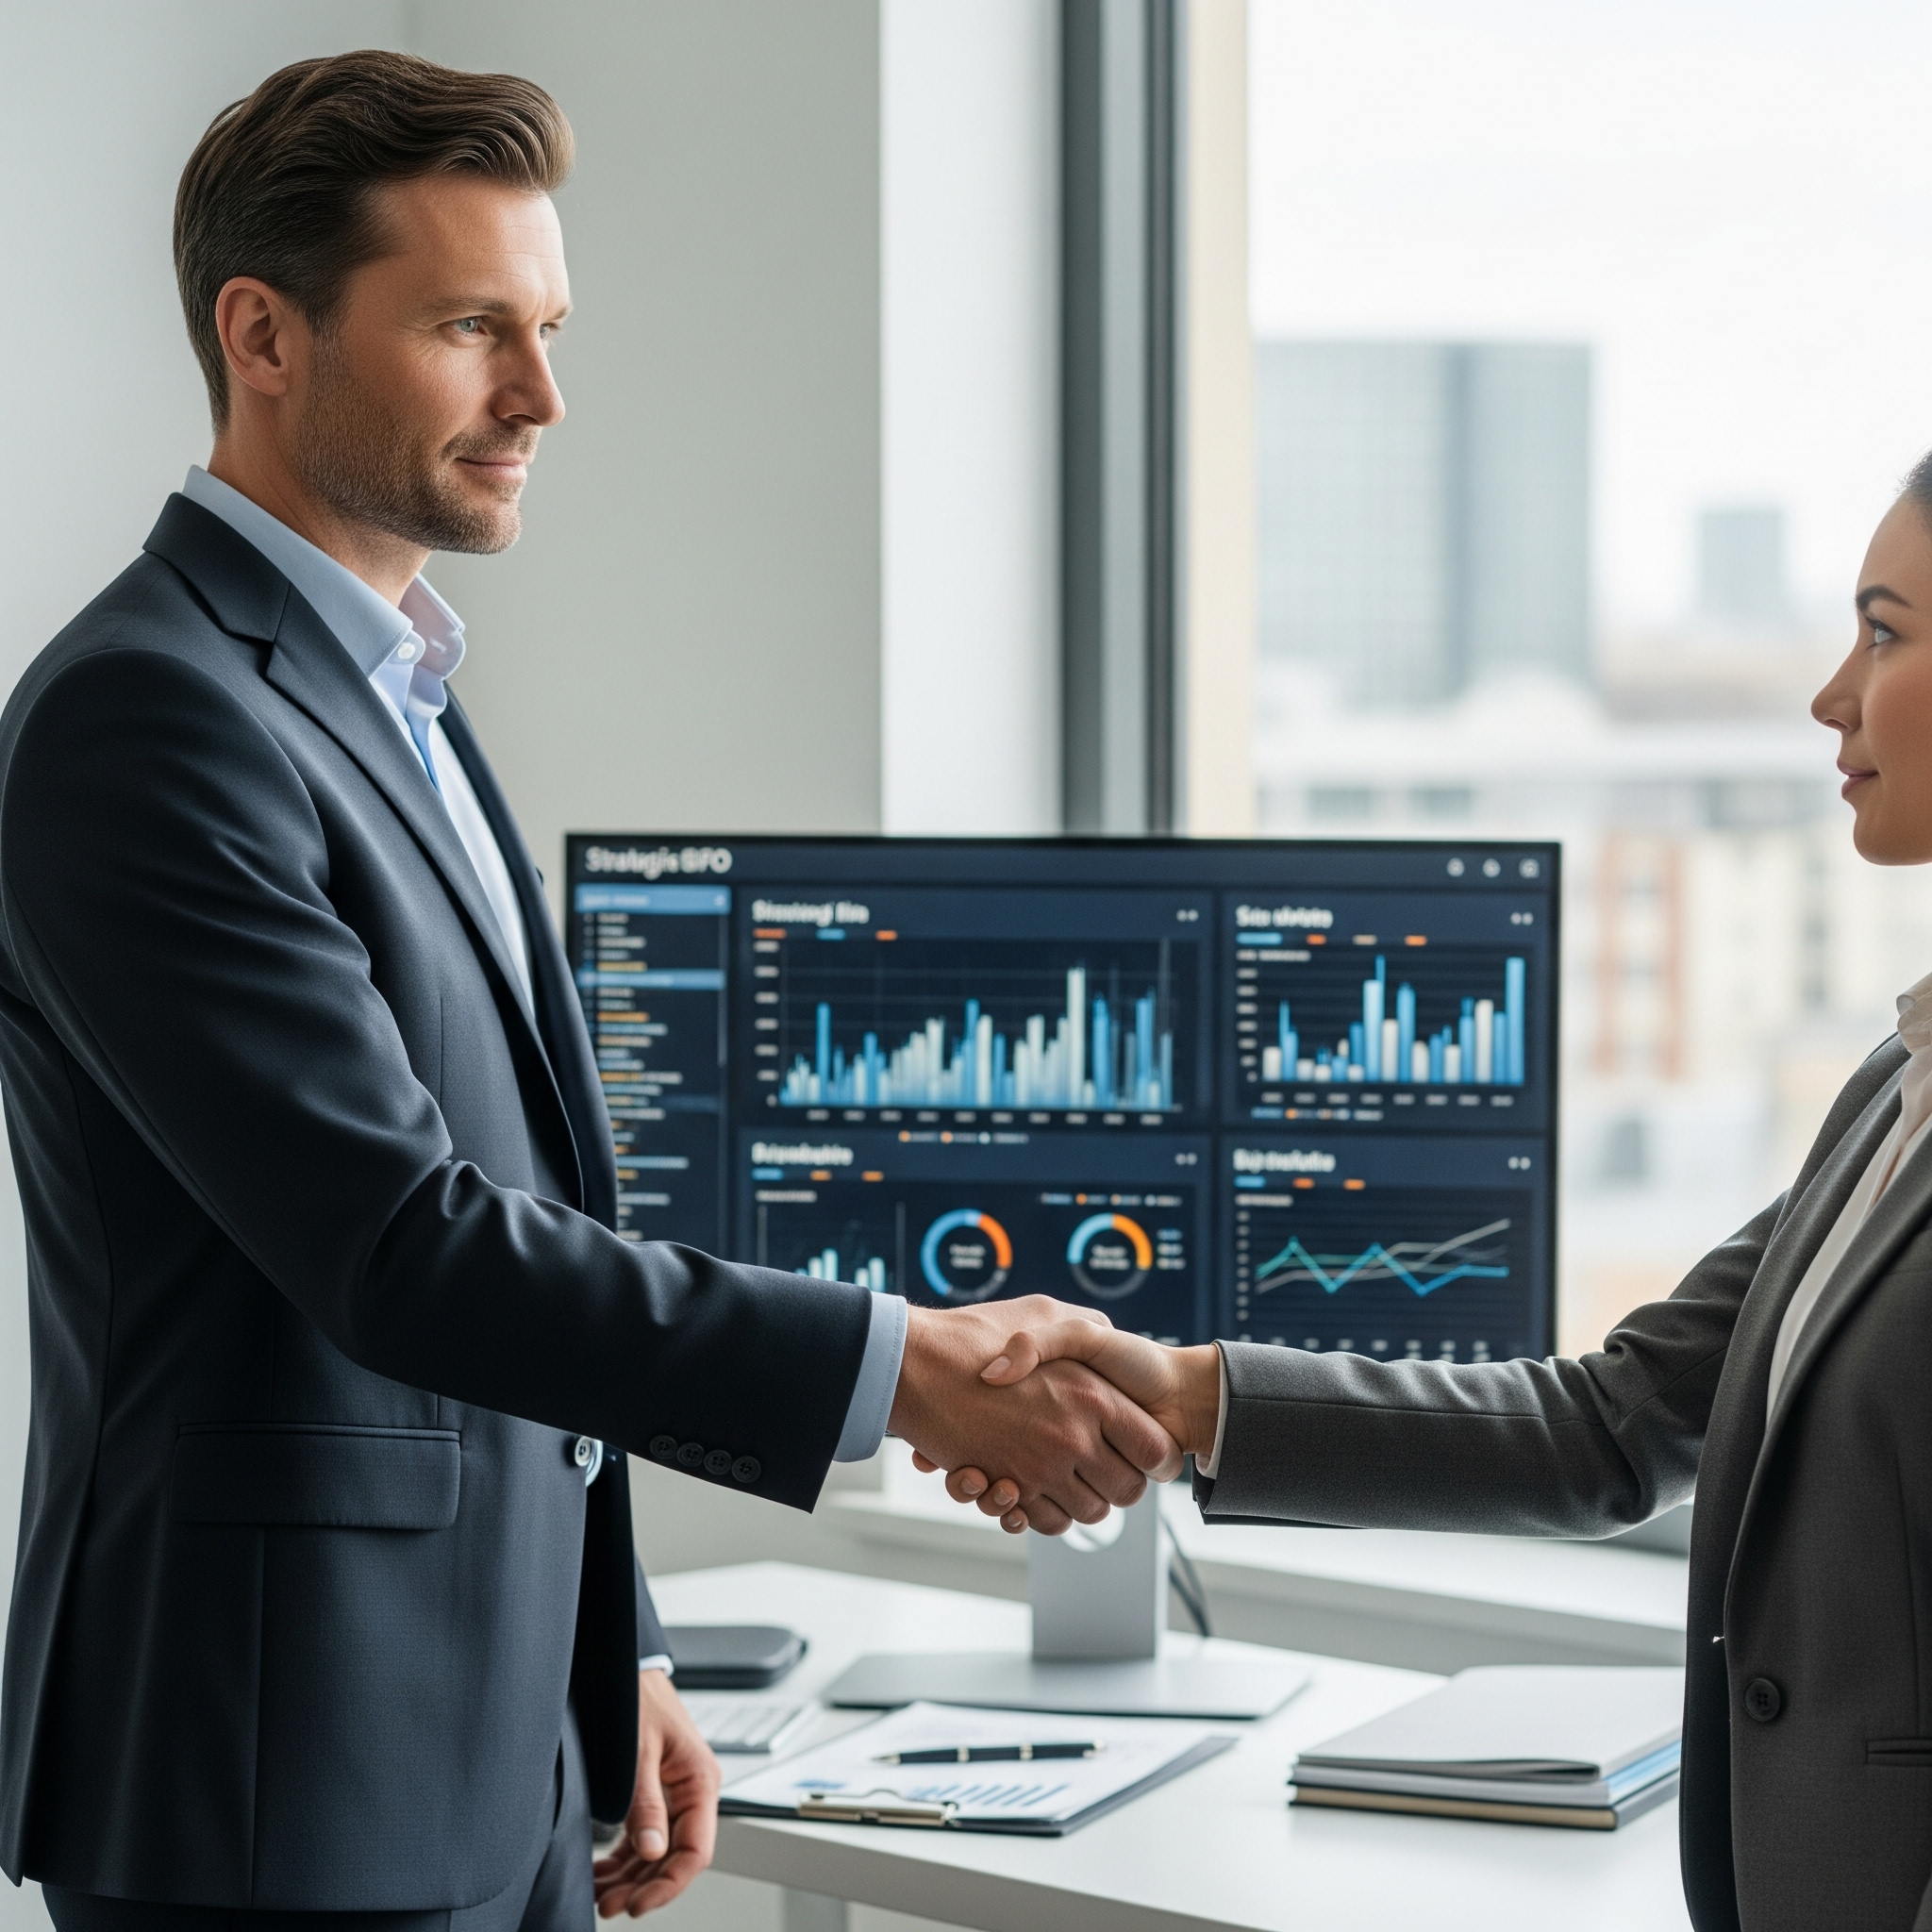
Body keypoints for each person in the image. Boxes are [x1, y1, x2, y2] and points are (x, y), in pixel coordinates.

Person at [0, 51, 1180, 1932]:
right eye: (474, 328)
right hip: (276, 1778)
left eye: (545, 327)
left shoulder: (391, 686)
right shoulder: (149, 718)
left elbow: (534, 1214)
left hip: (491, 1747)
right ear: (264, 335)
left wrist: (604, 1646)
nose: (545, 395)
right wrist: (904, 1372)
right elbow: (404, 1244)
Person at [937, 463, 1932, 1932]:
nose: (1830, 696)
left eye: (1886, 631)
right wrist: (1185, 1395)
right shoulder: (1893, 1090)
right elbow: (1610, 1423)